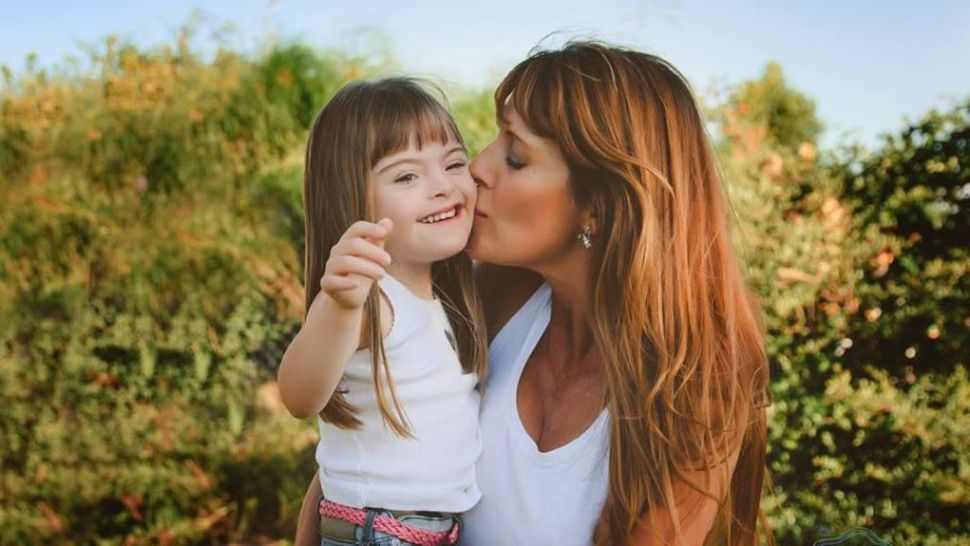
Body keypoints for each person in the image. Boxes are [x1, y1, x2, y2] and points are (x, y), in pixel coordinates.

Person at [295, 41, 772, 546]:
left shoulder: (697, 393)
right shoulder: (488, 296)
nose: (476, 168)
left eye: (516, 158)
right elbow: (359, 463)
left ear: (598, 208)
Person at [278, 77, 488, 546]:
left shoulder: (445, 297)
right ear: (351, 198)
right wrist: (338, 305)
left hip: (425, 532)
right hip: (382, 533)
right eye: (407, 176)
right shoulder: (370, 299)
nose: (443, 186)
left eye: (455, 163)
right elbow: (298, 396)